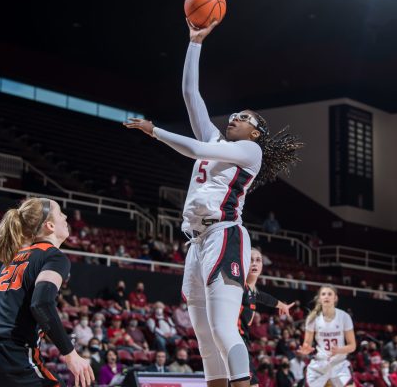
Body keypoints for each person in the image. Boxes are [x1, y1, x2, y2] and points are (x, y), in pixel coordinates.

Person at [124, 20, 302, 387]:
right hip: (197, 242)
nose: (235, 117)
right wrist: (194, 43)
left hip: (225, 235)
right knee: (203, 337)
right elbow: (191, 94)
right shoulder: (218, 138)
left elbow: (196, 149)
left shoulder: (249, 150)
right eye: (235, 114)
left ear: (256, 133)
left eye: (245, 118)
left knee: (223, 327)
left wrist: (154, 131)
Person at [0, 198, 94, 387]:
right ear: (50, 225)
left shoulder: (15, 256)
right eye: (60, 213)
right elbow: (41, 303)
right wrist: (70, 354)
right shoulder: (54, 256)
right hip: (9, 353)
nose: (65, 216)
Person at [241, 249, 294, 387]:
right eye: (250, 259)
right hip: (234, 343)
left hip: (242, 344)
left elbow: (265, 298)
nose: (254, 263)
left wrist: (282, 306)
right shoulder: (238, 287)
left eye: (258, 260)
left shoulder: (252, 292)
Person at [299, 285, 356, 387]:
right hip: (320, 365)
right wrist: (306, 349)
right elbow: (307, 343)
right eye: (323, 294)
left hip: (339, 364)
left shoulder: (344, 317)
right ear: (320, 299)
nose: (326, 296)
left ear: (335, 298)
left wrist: (339, 350)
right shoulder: (312, 319)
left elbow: (352, 346)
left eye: (330, 294)